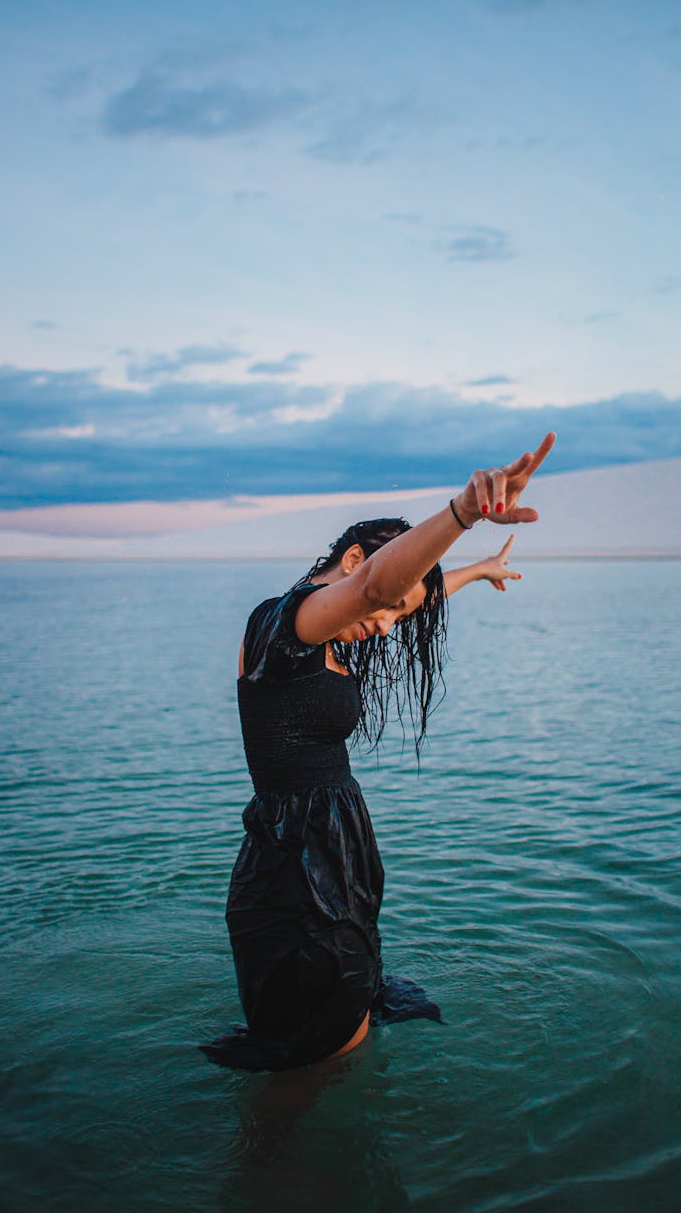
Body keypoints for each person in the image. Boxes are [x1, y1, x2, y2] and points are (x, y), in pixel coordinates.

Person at [201, 434, 556, 1072]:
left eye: (400, 613)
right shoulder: (286, 626)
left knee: (345, 1029)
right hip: (292, 875)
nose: (390, 625)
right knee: (314, 1056)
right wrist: (462, 513)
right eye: (387, 605)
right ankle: (275, 1164)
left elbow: (399, 596)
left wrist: (477, 570)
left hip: (334, 861)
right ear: (357, 559)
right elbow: (372, 592)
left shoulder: (329, 635)